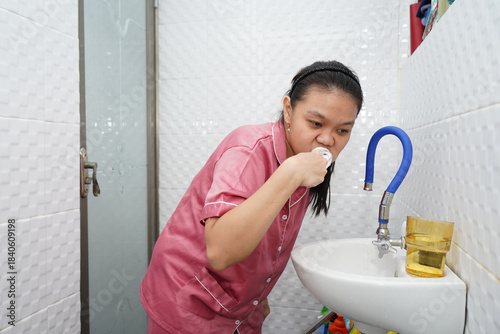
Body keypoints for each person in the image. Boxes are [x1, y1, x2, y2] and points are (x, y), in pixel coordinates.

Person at [140, 60, 364, 334]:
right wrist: (289, 174)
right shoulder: (248, 150)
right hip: (186, 302)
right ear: (288, 110)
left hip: (240, 306)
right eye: (316, 123)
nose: (328, 140)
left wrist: (257, 295)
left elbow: (262, 232)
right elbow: (221, 252)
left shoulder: (304, 160)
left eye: (342, 130)